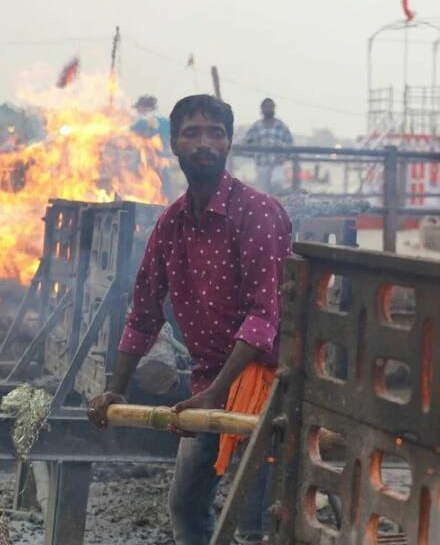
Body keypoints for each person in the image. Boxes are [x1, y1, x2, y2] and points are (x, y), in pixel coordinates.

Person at [87, 94, 292, 545]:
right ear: (174, 144)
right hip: (207, 384)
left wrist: (217, 394)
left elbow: (265, 317)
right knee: (185, 507)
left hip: (268, 386)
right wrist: (115, 387)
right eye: (192, 133)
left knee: (256, 521)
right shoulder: (170, 224)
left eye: (215, 133)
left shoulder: (256, 212)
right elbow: (142, 315)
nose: (204, 143)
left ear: (229, 143)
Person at [242, 98, 293, 195]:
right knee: (262, 192)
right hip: (262, 164)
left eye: (271, 107)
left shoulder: (281, 126)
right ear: (262, 109)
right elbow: (245, 143)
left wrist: (285, 157)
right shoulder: (256, 126)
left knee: (277, 183)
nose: (269, 109)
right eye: (266, 107)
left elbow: (290, 144)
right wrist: (255, 154)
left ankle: (275, 208)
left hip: (278, 163)